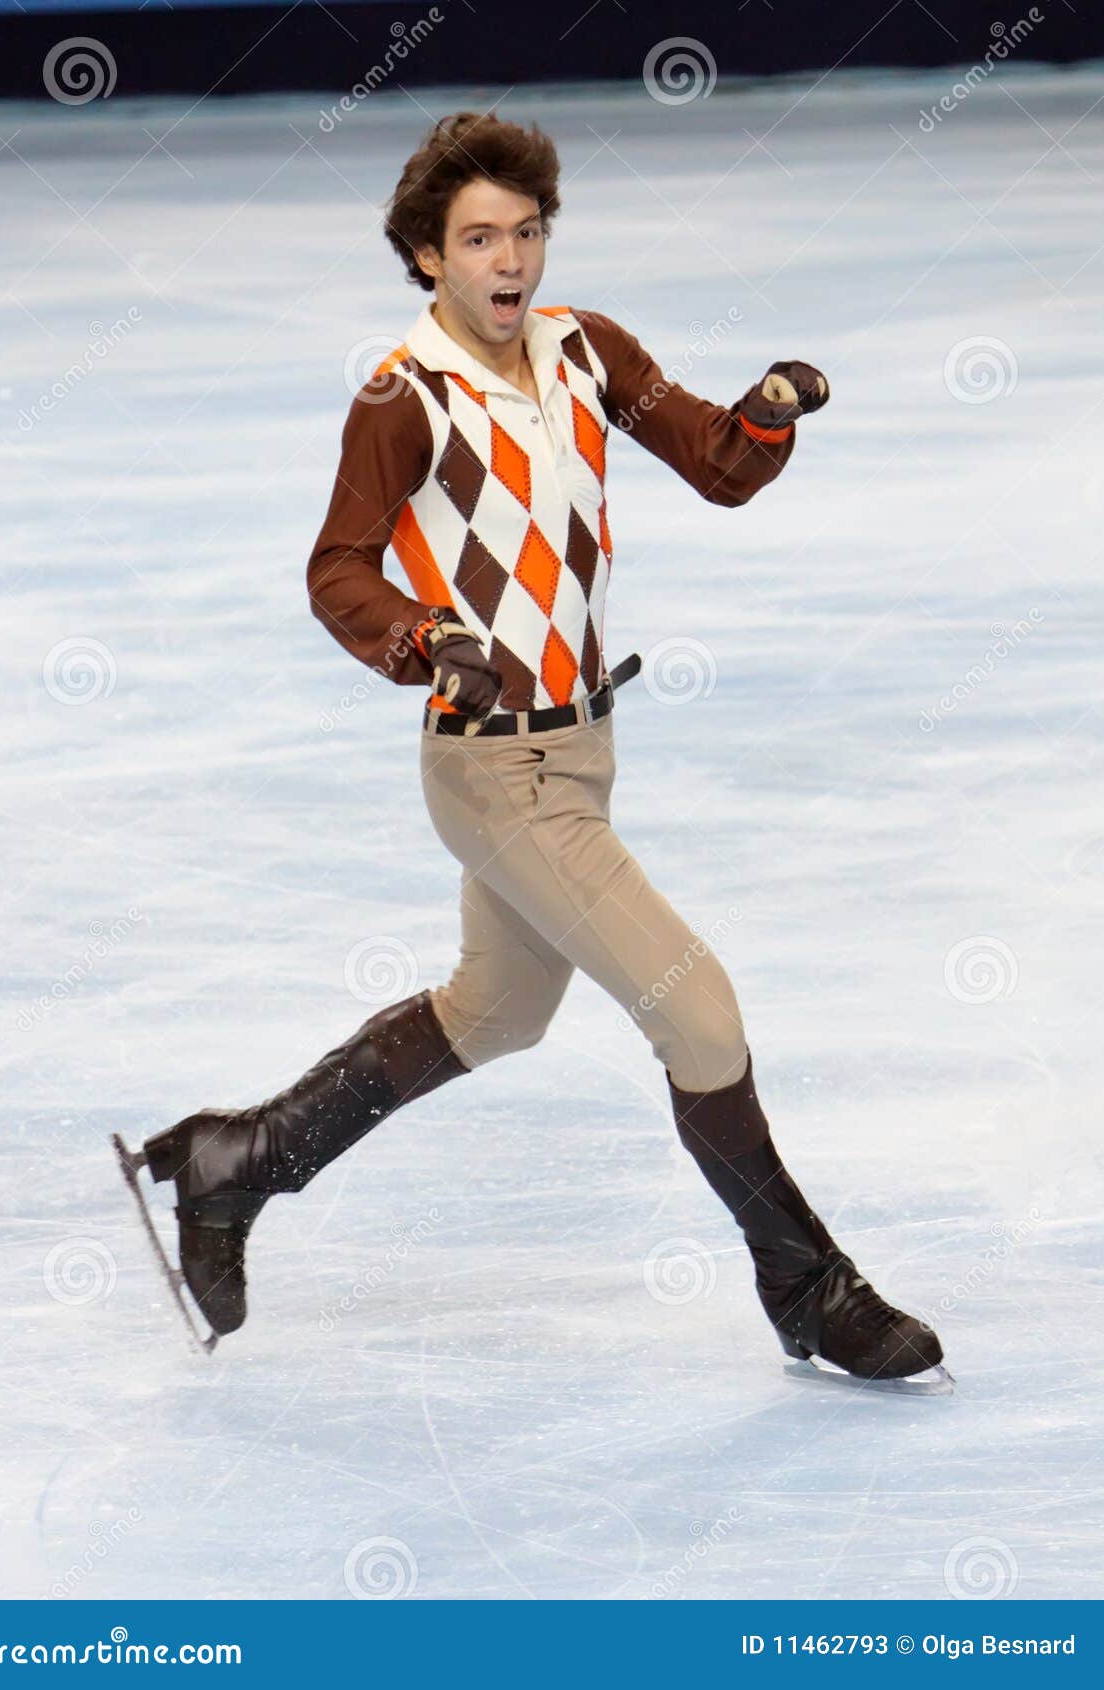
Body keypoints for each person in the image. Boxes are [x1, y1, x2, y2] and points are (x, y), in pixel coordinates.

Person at [132, 110, 944, 1386]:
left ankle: (239, 1160)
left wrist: (770, 410)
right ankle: (810, 1289)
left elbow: (719, 465)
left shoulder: (586, 350)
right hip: (493, 771)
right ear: (425, 258)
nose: (511, 260)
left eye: (527, 232)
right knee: (703, 1016)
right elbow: (335, 568)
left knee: (493, 1014)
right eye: (478, 239)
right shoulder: (405, 400)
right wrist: (419, 636)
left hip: (583, 754)